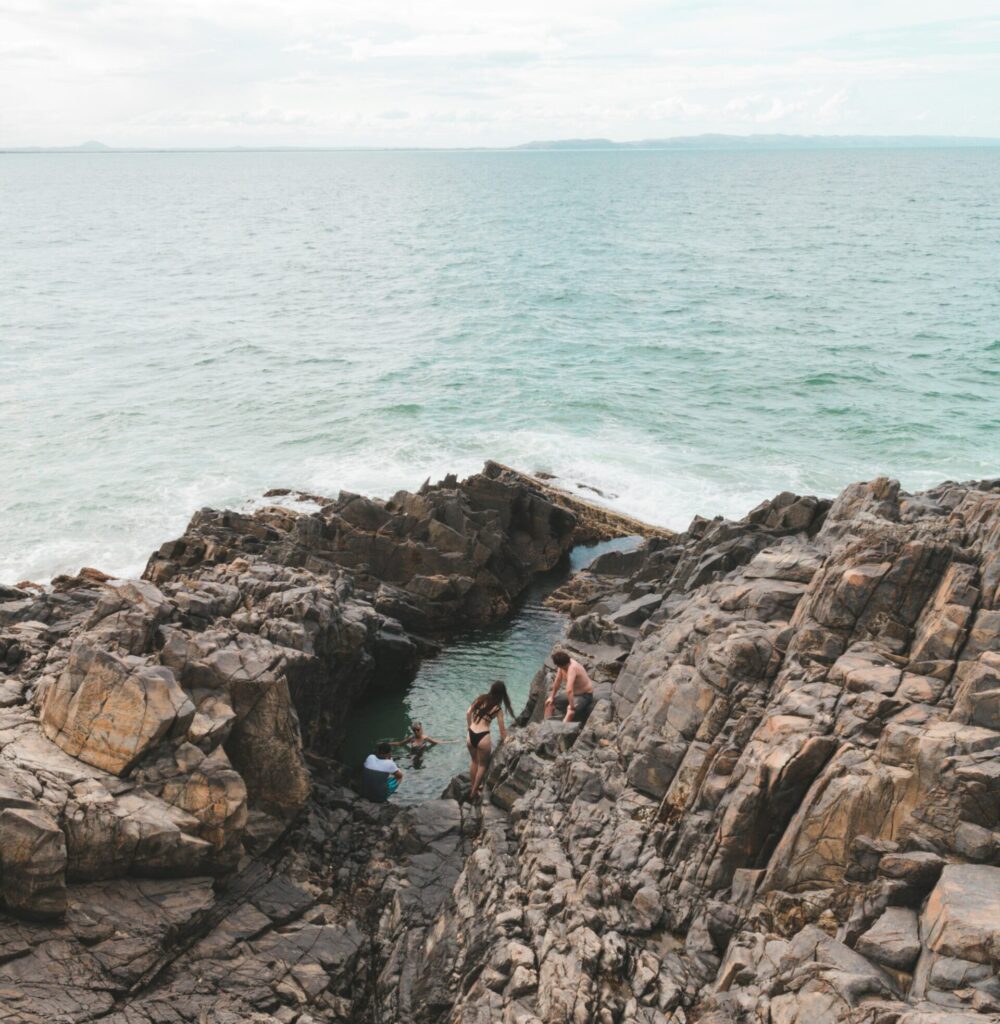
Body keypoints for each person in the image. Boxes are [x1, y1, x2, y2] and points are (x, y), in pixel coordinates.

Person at [466, 680, 513, 801]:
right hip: (483, 736)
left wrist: (469, 726)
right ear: (502, 694)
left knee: (474, 761)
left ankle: (473, 786)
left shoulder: (480, 698)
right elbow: (502, 732)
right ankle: (473, 792)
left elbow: (468, 712)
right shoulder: (497, 708)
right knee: (483, 765)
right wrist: (508, 739)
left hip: (470, 734)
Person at [544, 650, 595, 723]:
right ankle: (546, 723)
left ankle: (562, 731)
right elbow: (557, 681)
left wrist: (571, 706)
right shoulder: (562, 666)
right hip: (574, 694)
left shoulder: (572, 668)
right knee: (549, 703)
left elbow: (569, 690)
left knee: (570, 711)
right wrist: (552, 697)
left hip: (585, 695)